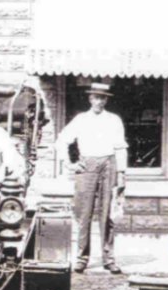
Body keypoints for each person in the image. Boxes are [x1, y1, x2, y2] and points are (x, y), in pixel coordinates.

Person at [55, 82, 128, 275]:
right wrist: (70, 164)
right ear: (90, 98)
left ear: (106, 100)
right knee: (83, 213)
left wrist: (121, 174)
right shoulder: (80, 119)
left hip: (109, 164)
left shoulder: (114, 120)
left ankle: (108, 258)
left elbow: (120, 147)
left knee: (108, 214)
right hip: (86, 165)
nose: (99, 101)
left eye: (103, 97)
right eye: (96, 97)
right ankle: (81, 258)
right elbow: (62, 140)